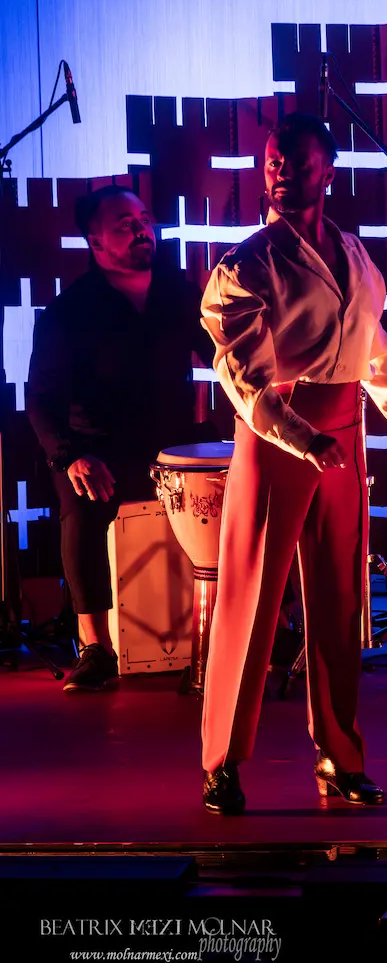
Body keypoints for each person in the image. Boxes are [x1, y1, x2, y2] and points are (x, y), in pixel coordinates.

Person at [198, 113, 387, 815]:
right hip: (279, 433)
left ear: (328, 173)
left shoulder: (353, 256)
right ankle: (221, 760)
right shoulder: (247, 264)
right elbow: (242, 376)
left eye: (298, 164)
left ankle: (340, 757)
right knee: (250, 601)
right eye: (274, 162)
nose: (282, 173)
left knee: (341, 603)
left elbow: (375, 354)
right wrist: (300, 436)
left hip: (345, 429)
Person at [26, 185, 214, 692]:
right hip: (102, 448)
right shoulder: (70, 311)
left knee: (248, 479)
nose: (141, 230)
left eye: (145, 219)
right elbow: (40, 399)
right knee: (81, 504)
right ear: (96, 240)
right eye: (125, 224)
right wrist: (70, 457)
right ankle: (95, 647)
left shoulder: (179, 292)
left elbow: (222, 355)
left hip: (174, 443)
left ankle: (264, 626)